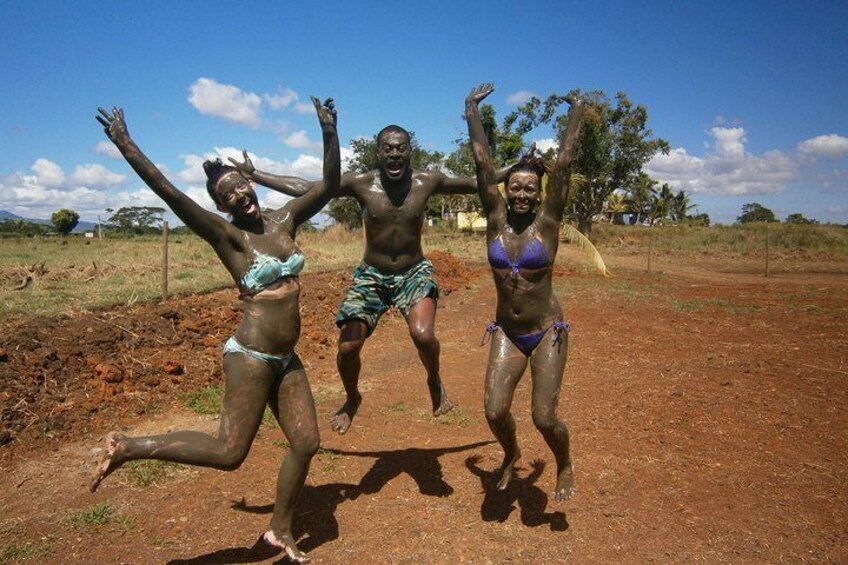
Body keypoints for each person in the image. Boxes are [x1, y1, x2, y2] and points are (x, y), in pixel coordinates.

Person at [89, 96, 340, 563]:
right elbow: (170, 193)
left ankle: (279, 530)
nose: (240, 196)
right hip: (250, 356)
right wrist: (127, 146)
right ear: (220, 204)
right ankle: (128, 447)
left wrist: (329, 131)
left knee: (306, 443)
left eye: (240, 185)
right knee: (229, 452)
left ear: (249, 181)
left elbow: (329, 184)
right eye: (228, 195)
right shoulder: (228, 237)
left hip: (287, 358)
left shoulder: (284, 219)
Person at [229, 127, 508, 435]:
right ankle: (352, 398)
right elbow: (306, 187)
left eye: (400, 148)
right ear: (378, 152)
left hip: (413, 272)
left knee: (423, 336)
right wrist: (258, 174)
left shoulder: (428, 181)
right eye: (388, 148)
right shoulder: (360, 183)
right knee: (348, 347)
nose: (394, 153)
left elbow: (476, 182)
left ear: (410, 151)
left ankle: (435, 381)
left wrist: (514, 170)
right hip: (371, 276)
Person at [465, 83, 585, 502]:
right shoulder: (495, 220)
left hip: (546, 331)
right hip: (508, 333)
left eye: (528, 188)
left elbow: (565, 164)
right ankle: (510, 452)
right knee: (494, 410)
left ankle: (564, 462)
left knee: (544, 415)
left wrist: (577, 112)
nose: (520, 194)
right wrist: (471, 110)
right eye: (514, 187)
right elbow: (482, 164)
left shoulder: (548, 224)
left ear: (539, 193)